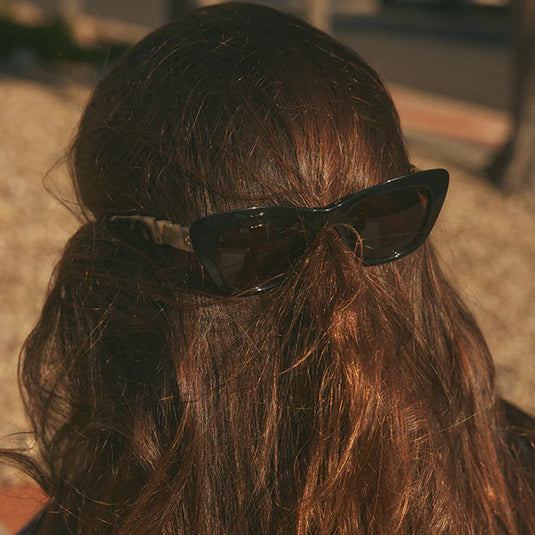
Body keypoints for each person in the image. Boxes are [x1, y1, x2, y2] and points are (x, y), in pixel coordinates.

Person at [4, 2, 534, 533]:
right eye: (259, 242)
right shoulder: (512, 474)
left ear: (109, 281)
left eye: (382, 215)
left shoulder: (86, 521)